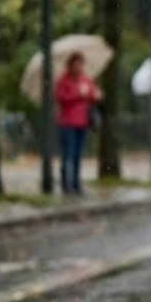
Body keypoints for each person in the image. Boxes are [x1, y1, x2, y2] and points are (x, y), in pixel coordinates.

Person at [55, 51, 101, 195]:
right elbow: (60, 97)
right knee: (68, 154)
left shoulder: (85, 79)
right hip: (68, 122)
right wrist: (77, 94)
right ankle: (65, 185)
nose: (78, 67)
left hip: (83, 122)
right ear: (70, 65)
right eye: (75, 64)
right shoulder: (63, 80)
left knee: (78, 156)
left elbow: (93, 94)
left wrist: (95, 94)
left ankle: (76, 184)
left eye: (80, 64)